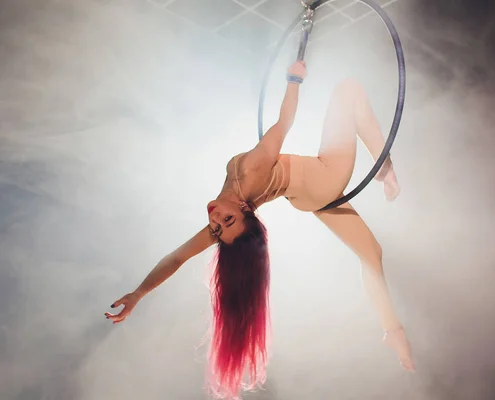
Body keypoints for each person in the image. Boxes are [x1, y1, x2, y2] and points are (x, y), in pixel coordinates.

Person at [105, 60, 415, 399]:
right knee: (348, 90)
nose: (215, 219)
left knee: (373, 256)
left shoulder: (224, 222)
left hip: (309, 197)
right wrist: (294, 79)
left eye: (218, 227)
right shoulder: (250, 170)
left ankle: (392, 329)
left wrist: (139, 293)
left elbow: (176, 258)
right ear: (243, 211)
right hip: (326, 177)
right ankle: (384, 169)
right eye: (226, 222)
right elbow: (284, 122)